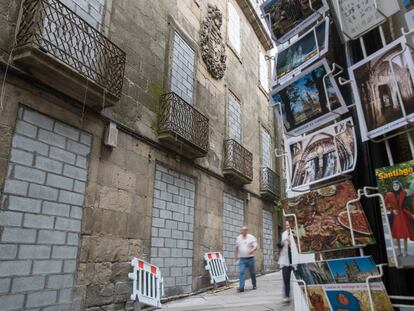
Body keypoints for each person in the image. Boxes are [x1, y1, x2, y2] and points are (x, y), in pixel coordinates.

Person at [384, 180, 414, 256]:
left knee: (405, 234)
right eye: (394, 186)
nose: (395, 187)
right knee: (396, 234)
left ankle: (405, 251)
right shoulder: (388, 194)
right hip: (395, 216)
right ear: (392, 186)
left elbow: (408, 203)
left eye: (397, 185)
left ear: (400, 186)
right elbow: (386, 204)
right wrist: (391, 210)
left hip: (403, 215)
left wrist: (411, 214)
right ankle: (399, 251)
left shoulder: (404, 192)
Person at [235, 226, 258, 292]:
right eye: (241, 230)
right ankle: (241, 287)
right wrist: (236, 256)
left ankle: (254, 284)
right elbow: (237, 248)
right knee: (241, 272)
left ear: (247, 231)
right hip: (242, 259)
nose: (242, 231)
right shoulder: (238, 238)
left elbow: (255, 246)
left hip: (250, 258)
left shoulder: (251, 237)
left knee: (252, 273)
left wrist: (252, 250)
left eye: (244, 230)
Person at [278, 220, 293, 303]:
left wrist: (291, 242)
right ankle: (287, 296)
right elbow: (278, 244)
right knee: (286, 279)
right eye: (286, 225)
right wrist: (283, 242)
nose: (288, 227)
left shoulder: (295, 233)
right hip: (285, 260)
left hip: (295, 260)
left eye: (289, 225)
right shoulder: (283, 234)